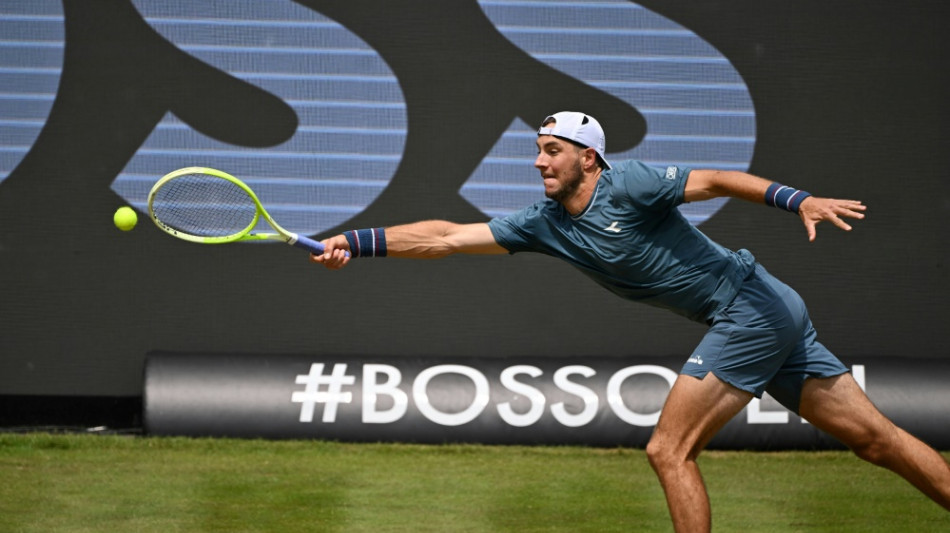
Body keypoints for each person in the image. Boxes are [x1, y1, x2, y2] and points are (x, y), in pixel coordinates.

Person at [311, 111, 950, 530]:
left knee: (668, 449)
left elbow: (721, 179)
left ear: (588, 159)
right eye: (538, 151)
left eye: (553, 151)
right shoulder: (543, 224)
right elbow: (445, 236)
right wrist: (356, 242)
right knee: (875, 441)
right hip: (767, 311)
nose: (540, 162)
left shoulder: (633, 184)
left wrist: (799, 199)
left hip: (750, 309)